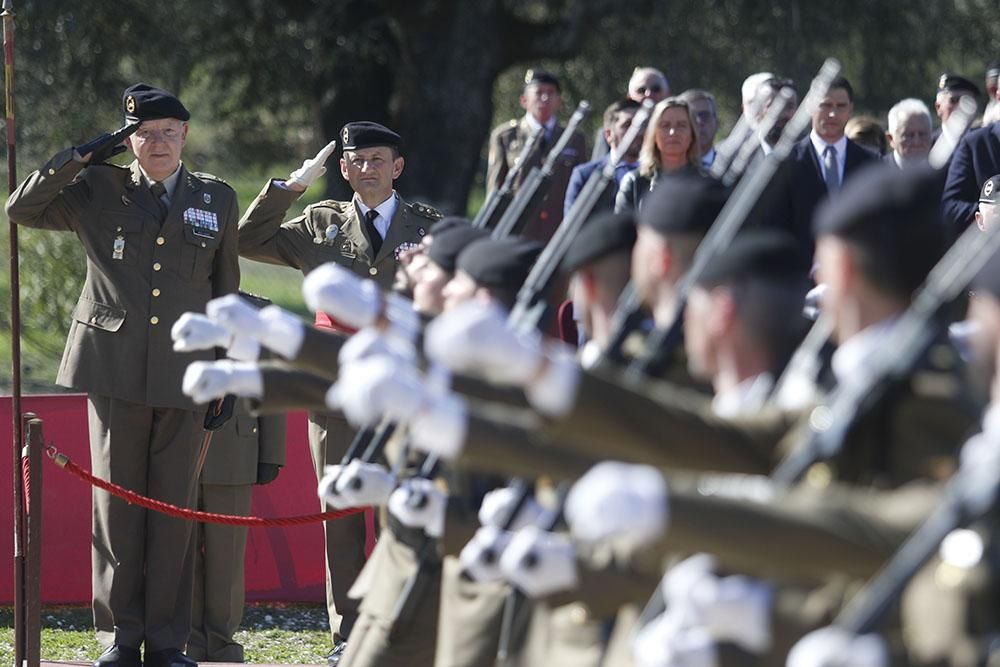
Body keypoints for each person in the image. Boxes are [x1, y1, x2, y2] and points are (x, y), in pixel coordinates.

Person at [6, 83, 240, 667]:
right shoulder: (95, 188)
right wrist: (85, 153)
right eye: (142, 133)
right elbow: (22, 208)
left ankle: (165, 641)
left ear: (185, 135)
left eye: (167, 132)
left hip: (188, 373)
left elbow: (225, 291)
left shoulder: (216, 198)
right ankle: (119, 637)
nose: (155, 142)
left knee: (173, 512)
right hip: (112, 367)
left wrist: (227, 371)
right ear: (127, 138)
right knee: (116, 509)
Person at [237, 121, 441, 664]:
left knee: (403, 513)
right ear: (344, 169)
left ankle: (406, 628)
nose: (367, 169)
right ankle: (349, 635)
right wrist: (288, 189)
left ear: (397, 167)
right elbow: (247, 240)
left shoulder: (428, 228)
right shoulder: (320, 225)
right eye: (357, 161)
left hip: (404, 388)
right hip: (335, 388)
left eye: (378, 160)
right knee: (342, 514)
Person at [188, 364, 286, 663]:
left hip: (236, 447)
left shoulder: (251, 316)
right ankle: (187, 639)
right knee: (180, 555)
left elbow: (271, 378)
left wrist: (271, 452)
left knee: (227, 559)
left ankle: (221, 642)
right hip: (178, 449)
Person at [762, 75, 877, 261]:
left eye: (841, 106)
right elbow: (775, 229)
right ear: (810, 106)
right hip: (799, 278)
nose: (833, 114)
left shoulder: (870, 164)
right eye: (825, 105)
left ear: (851, 110)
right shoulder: (785, 163)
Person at [486, 69, 587, 242]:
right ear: (524, 100)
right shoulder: (506, 136)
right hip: (516, 231)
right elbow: (495, 188)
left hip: (557, 232)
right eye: (539, 93)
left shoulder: (573, 138)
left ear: (559, 101)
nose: (545, 98)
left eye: (551, 93)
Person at [615, 97, 703, 213]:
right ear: (653, 134)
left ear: (692, 134)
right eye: (665, 125)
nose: (673, 132)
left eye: (681, 125)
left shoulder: (707, 183)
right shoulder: (634, 183)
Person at [563, 99, 642, 218]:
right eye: (627, 125)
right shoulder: (586, 175)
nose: (638, 132)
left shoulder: (659, 173)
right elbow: (572, 229)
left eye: (642, 125)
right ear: (608, 134)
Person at [591, 66, 670, 160]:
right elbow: (599, 169)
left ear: (668, 95)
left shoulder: (678, 129)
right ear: (629, 97)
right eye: (641, 90)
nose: (648, 94)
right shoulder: (613, 131)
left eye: (656, 89)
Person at [885, 98, 933, 168]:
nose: (916, 142)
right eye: (909, 135)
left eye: (922, 134)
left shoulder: (944, 173)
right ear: (891, 139)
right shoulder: (875, 174)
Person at [678, 89, 720, 167]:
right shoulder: (663, 170)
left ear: (717, 124)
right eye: (691, 116)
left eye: (705, 115)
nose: (699, 121)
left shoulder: (734, 166)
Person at [934, 73, 981, 142]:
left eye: (966, 101)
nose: (961, 107)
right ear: (938, 107)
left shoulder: (985, 144)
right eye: (954, 100)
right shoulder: (926, 145)